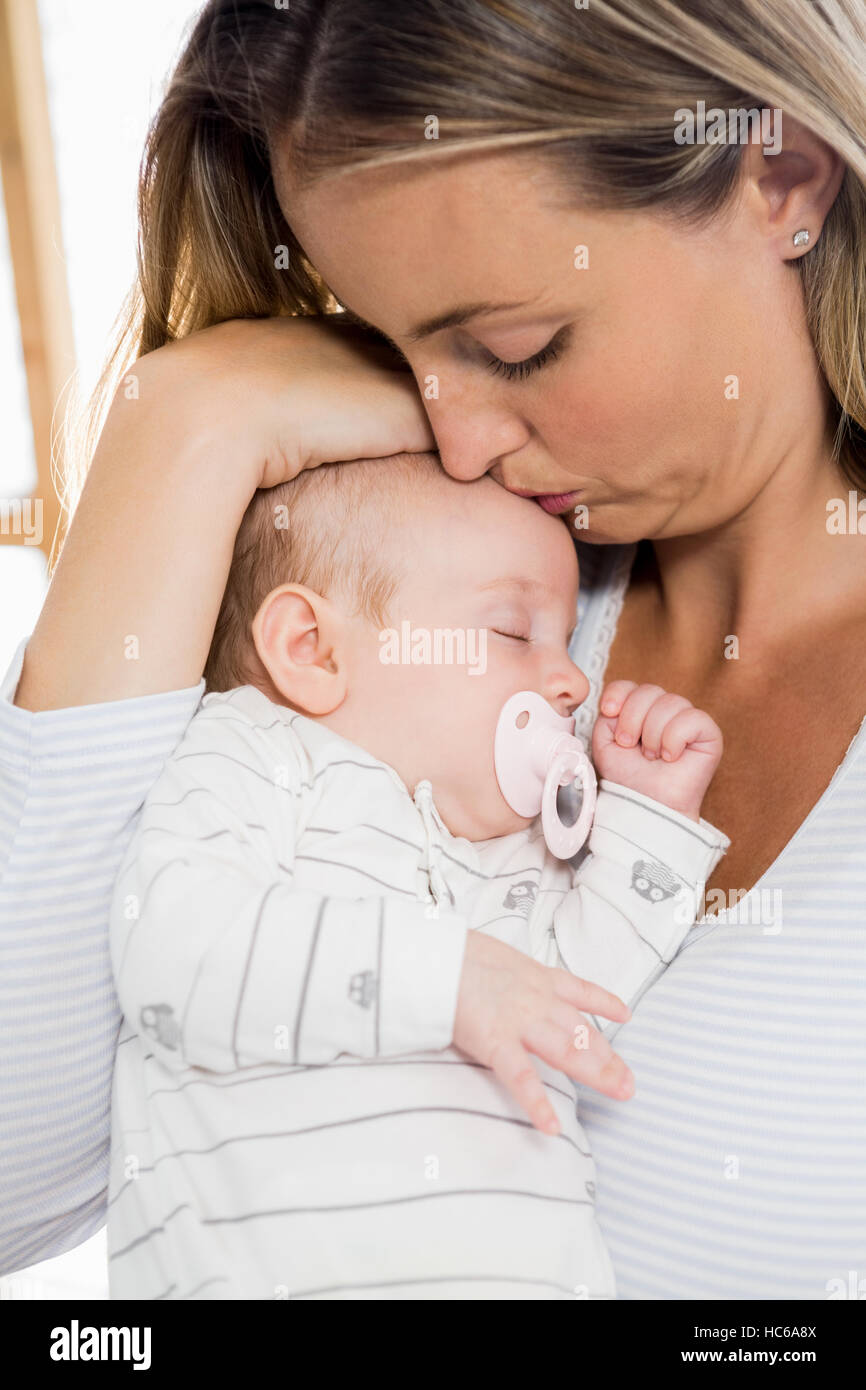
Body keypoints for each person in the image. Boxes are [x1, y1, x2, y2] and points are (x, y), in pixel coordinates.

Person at [2, 0, 865, 1296]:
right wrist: (193, 420)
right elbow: (19, 1183)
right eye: (390, 342)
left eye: (514, 346)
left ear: (781, 175)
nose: (458, 445)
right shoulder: (423, 602)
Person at [107, 451, 726, 1299]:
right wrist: (444, 973)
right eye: (515, 631)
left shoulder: (517, 850)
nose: (573, 680)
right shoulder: (259, 758)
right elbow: (174, 953)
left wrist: (649, 819)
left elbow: (581, 1009)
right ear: (313, 651)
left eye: (569, 637)